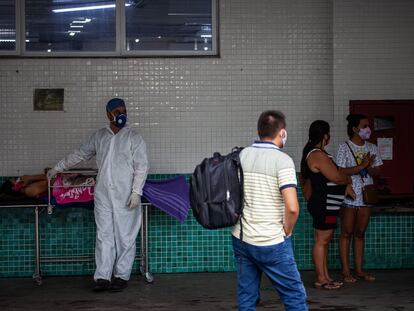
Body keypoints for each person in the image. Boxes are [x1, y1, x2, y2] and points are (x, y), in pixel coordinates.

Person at [47, 98, 149, 292]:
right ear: (108, 114)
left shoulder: (134, 138)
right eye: (117, 110)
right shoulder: (100, 136)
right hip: (103, 194)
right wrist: (57, 167)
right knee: (104, 236)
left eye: (124, 110)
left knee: (125, 236)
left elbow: (141, 167)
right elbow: (80, 154)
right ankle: (102, 277)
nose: (122, 113)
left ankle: (121, 276)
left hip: (125, 194)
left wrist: (136, 192)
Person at [231, 110, 307, 311]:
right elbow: (292, 207)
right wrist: (286, 232)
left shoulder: (243, 155)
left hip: (242, 238)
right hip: (272, 241)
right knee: (294, 295)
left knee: (247, 297)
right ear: (282, 133)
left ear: (258, 131)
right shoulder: (282, 161)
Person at [300, 120, 355, 290]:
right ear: (325, 136)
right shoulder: (316, 154)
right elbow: (336, 177)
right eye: (328, 134)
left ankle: (325, 277)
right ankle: (321, 279)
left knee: (323, 241)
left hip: (327, 204)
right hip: (324, 204)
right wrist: (347, 181)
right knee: (321, 241)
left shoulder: (318, 153)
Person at [336, 114, 382, 283]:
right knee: (346, 233)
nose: (368, 129)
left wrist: (369, 167)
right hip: (350, 194)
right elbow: (340, 171)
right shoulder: (344, 147)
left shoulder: (372, 147)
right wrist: (361, 166)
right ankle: (346, 272)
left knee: (360, 233)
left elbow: (377, 171)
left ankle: (359, 270)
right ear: (355, 129)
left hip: (366, 195)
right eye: (364, 126)